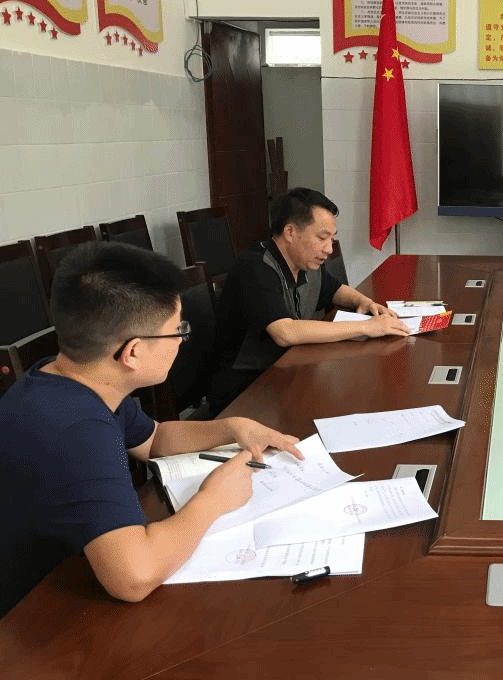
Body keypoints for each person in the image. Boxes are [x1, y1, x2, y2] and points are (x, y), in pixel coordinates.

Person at [0, 242, 304, 616]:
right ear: (132, 352)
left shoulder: (72, 376)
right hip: (32, 617)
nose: (180, 340)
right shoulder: (76, 431)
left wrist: (232, 427)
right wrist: (214, 498)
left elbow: (154, 439)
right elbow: (134, 576)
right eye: (177, 331)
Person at [208, 187, 409, 414]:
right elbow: (285, 332)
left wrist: (364, 301)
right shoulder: (255, 267)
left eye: (332, 238)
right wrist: (366, 327)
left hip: (287, 374)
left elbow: (335, 290)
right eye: (322, 238)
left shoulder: (305, 263)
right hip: (245, 393)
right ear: (290, 232)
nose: (329, 249)